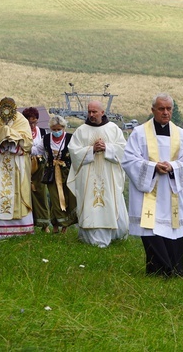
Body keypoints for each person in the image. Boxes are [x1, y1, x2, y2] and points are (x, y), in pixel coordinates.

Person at [122, 94, 183, 277]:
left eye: (169, 109)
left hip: (170, 190)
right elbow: (129, 160)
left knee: (172, 230)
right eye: (161, 108)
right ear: (153, 110)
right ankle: (158, 270)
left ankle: (175, 271)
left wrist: (172, 166)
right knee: (150, 229)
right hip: (148, 192)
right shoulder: (139, 133)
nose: (165, 112)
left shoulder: (182, 135)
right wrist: (152, 167)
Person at [66, 100, 128, 247]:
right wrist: (91, 150)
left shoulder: (113, 129)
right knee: (90, 205)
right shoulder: (81, 130)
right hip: (88, 176)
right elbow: (73, 152)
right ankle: (88, 237)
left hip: (108, 176)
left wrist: (107, 147)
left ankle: (113, 236)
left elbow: (123, 150)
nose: (91, 115)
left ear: (102, 112)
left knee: (110, 203)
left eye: (94, 112)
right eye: (89, 112)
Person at [0, 97, 35, 240]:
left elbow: (28, 143)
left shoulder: (21, 120)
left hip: (17, 164)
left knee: (17, 193)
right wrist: (2, 133)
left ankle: (20, 229)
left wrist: (12, 136)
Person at [42, 115, 77, 233]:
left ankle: (65, 226)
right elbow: (37, 149)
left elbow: (76, 153)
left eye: (59, 129)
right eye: (54, 129)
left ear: (63, 127)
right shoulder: (46, 139)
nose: (56, 132)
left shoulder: (70, 138)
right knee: (55, 199)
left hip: (67, 173)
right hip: (52, 173)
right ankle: (56, 224)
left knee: (67, 197)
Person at [23, 106, 52, 232]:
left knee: (40, 192)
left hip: (39, 165)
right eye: (29, 122)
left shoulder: (42, 132)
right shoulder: (21, 132)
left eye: (34, 121)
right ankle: (29, 222)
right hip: (25, 165)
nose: (32, 124)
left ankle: (44, 222)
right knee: (26, 192)